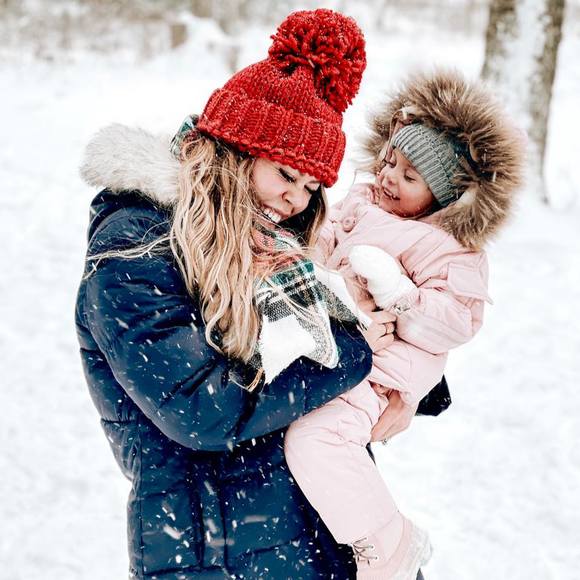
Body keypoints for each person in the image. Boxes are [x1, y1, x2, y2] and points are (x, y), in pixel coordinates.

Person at [74, 8, 396, 579]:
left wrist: (404, 375)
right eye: (285, 174)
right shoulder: (134, 249)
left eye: (312, 186)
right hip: (211, 548)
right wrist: (349, 348)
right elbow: (202, 409)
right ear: (235, 152)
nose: (297, 199)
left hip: (312, 535)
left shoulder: (273, 248)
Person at [284, 69, 525, 579]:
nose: (389, 177)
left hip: (381, 374)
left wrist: (401, 295)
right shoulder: (361, 201)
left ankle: (388, 545)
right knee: (308, 438)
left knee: (317, 439)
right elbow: (321, 238)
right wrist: (317, 267)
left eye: (409, 177)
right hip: (340, 348)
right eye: (390, 161)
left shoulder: (450, 249)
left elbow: (457, 323)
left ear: (444, 196)